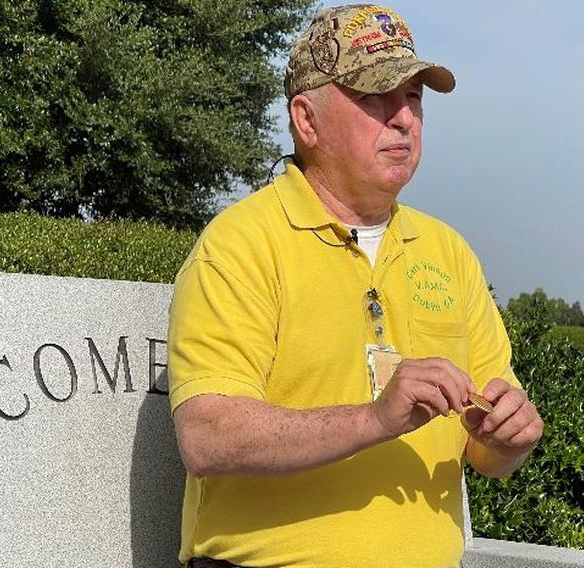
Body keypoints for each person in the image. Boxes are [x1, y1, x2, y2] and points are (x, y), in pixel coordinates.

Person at [167, 5, 543, 567]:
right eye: (374, 98)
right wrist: (373, 418)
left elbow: (484, 449)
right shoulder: (240, 244)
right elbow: (207, 435)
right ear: (307, 120)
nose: (403, 119)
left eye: (414, 98)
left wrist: (509, 436)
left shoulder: (448, 251)